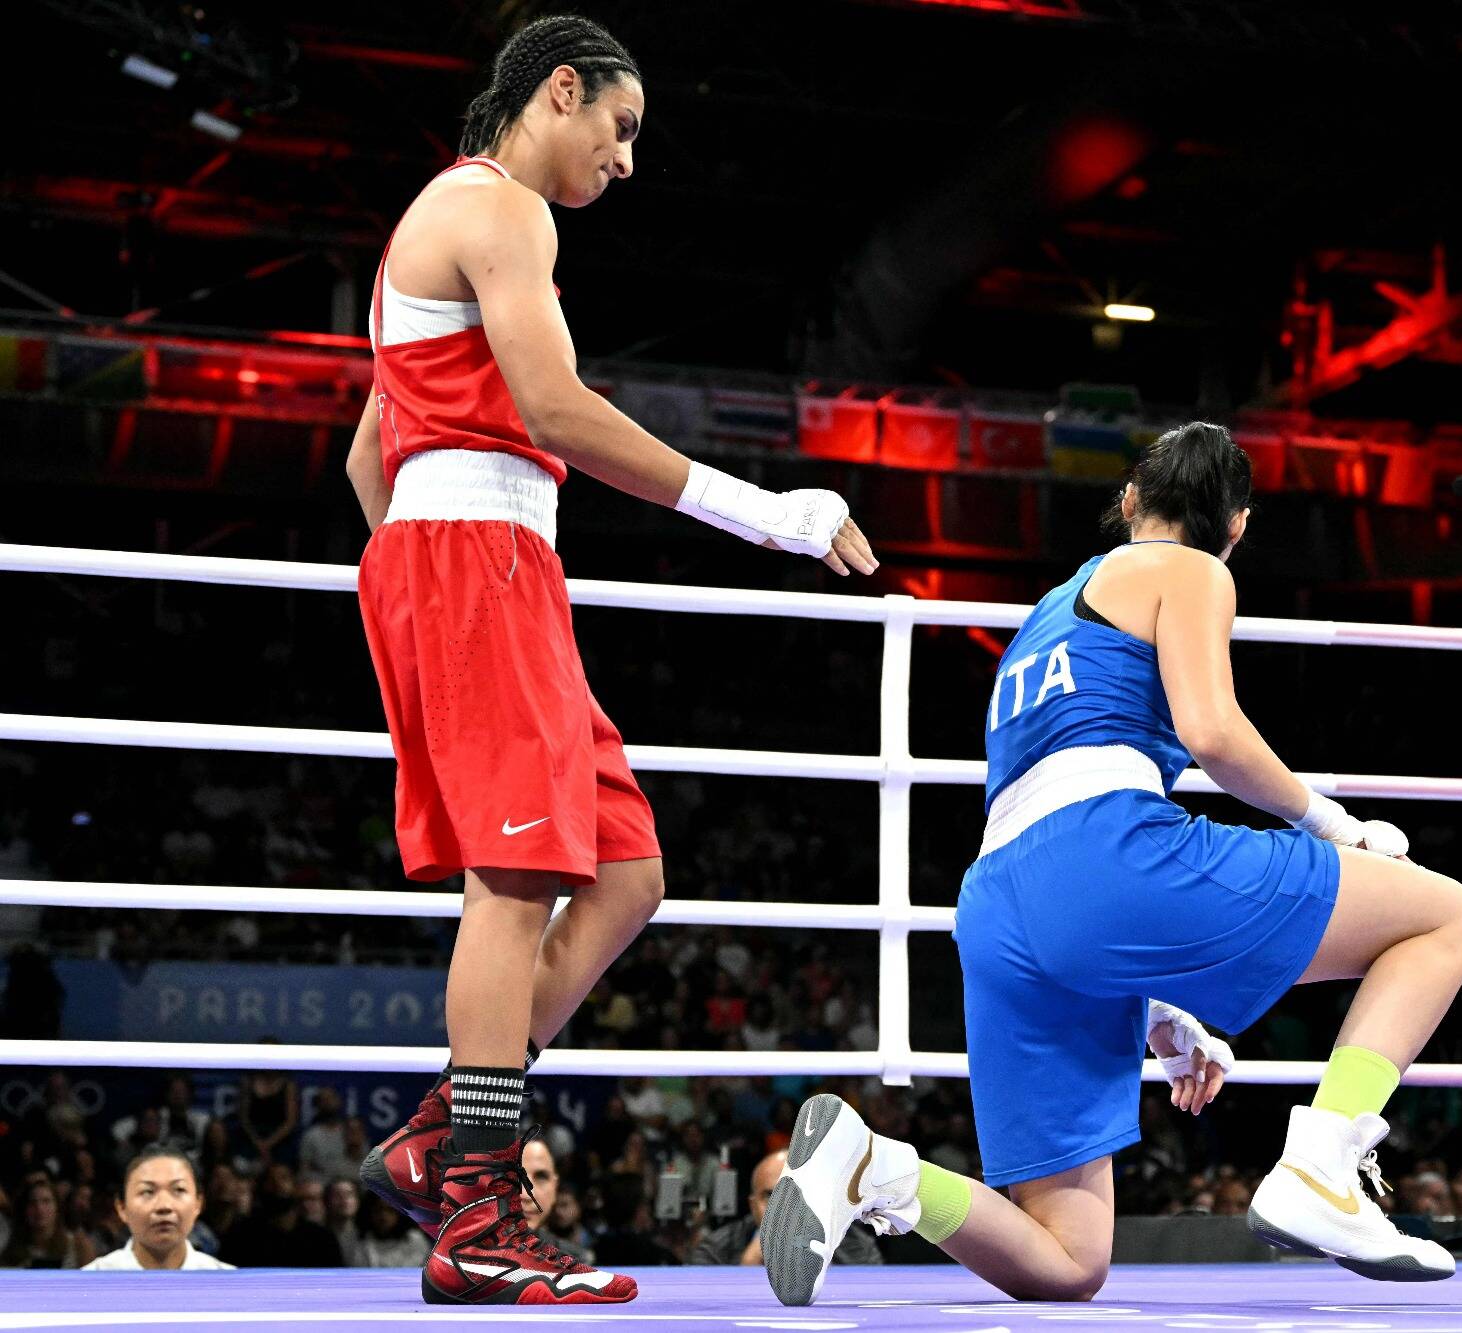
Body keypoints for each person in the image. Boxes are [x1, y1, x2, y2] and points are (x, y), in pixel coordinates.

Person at [341, 13, 876, 1309]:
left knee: (625, 869)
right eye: (620, 127)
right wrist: (769, 511)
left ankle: (438, 1134)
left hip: (477, 562)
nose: (627, 159)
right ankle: (477, 1211)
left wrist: (437, 571)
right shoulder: (503, 209)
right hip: (479, 562)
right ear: (558, 91)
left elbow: (370, 456)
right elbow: (555, 410)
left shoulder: (444, 228)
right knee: (517, 878)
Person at [761, 422, 1462, 1306]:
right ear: (1239, 526)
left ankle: (873, 1168)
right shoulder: (1191, 569)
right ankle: (1323, 1163)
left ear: (1131, 500)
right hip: (1102, 855)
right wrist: (1330, 820)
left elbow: (1060, 851)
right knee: (1443, 914)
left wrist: (1158, 1009)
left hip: (999, 900)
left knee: (1068, 1260)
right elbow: (1210, 732)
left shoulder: (1044, 617)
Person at [692, 1150, 880, 1267]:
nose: (784, 1208)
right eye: (770, 1196)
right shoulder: (713, 1250)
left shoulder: (859, 1249)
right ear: (752, 1205)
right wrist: (745, 1274)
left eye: (797, 1194)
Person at [81, 1148, 233, 1271]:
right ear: (122, 1208)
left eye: (179, 1190)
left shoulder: (229, 1285)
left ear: (198, 1203)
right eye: (147, 1192)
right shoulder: (90, 1282)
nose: (164, 1206)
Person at [516, 1138, 590, 1264]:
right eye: (515, 1176)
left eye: (541, 1177)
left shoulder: (578, 1259)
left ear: (555, 1186)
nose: (527, 1195)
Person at [0, 1173, 97, 1268]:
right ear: (24, 1210)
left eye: (46, 1201)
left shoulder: (78, 1246)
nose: (39, 1208)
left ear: (57, 1208)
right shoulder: (10, 1251)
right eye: (32, 1202)